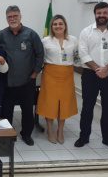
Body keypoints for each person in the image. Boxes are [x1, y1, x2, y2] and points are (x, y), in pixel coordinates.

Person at [75, 2, 108, 151]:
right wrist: (97, 69)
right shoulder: (85, 32)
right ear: (95, 14)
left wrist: (107, 69)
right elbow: (83, 53)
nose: (101, 15)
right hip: (90, 74)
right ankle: (84, 137)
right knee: (87, 107)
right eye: (99, 13)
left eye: (105, 13)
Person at [0, 5, 44, 146]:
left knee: (27, 111)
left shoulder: (31, 34)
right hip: (7, 82)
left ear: (20, 16)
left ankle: (26, 134)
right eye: (10, 17)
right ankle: (7, 135)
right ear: (6, 18)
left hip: (27, 81)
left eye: (15, 16)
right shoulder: (0, 35)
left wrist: (35, 73)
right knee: (6, 111)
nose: (13, 19)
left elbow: (40, 54)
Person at [36, 15, 78, 144]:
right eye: (55, 24)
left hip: (67, 75)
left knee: (64, 104)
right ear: (51, 27)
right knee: (50, 103)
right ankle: (50, 130)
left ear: (65, 25)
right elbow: (40, 58)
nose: (58, 26)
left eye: (60, 24)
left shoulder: (73, 40)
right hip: (50, 75)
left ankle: (60, 130)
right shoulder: (45, 41)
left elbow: (77, 57)